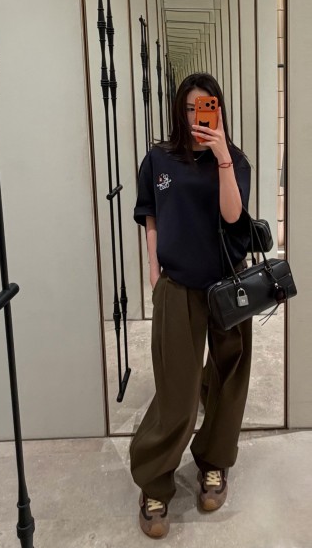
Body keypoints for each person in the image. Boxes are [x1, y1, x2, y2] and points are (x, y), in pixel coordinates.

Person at [130, 72, 253, 539]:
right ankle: (154, 480)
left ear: (218, 110)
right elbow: (150, 213)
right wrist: (153, 268)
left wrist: (221, 157)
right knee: (177, 391)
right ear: (179, 111)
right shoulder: (159, 159)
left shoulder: (234, 159)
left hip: (229, 283)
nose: (197, 117)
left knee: (228, 379)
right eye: (190, 108)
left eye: (207, 107)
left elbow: (232, 216)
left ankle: (214, 463)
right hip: (178, 284)